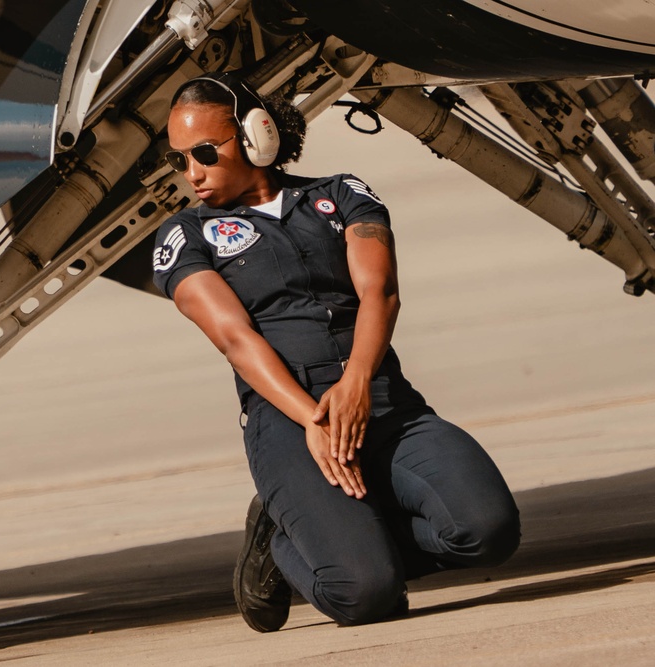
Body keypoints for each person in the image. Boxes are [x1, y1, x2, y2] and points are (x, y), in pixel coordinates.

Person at [151, 72, 521, 631]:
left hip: (381, 399)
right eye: (180, 159)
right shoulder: (186, 234)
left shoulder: (340, 195)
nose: (192, 173)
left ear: (257, 135)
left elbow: (381, 292)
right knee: (365, 595)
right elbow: (235, 339)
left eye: (205, 152)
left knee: (489, 532)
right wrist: (313, 419)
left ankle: (352, 535)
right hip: (288, 420)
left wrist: (356, 385)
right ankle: (281, 542)